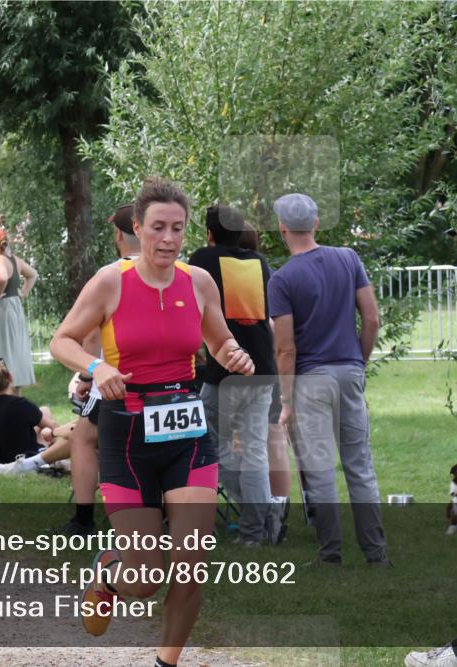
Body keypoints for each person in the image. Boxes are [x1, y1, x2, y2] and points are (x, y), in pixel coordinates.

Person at [49, 177, 254, 666]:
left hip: (187, 434)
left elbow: (219, 341)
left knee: (191, 568)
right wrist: (97, 368)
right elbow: (63, 340)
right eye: (158, 227)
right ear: (136, 228)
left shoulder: (198, 282)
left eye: (177, 229)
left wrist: (235, 355)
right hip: (127, 436)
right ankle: (109, 572)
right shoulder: (110, 282)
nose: (167, 238)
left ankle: (166, 663)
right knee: (143, 579)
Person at [267, 192, 388, 566]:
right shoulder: (348, 258)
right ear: (316, 223)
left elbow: (285, 349)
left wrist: (286, 402)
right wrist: (358, 362)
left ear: (283, 229)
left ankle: (330, 553)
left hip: (310, 381)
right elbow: (371, 319)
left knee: (319, 469)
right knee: (360, 466)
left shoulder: (282, 280)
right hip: (349, 370)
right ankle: (376, 553)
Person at [50, 203, 142, 539]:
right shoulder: (177, 273)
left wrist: (87, 376)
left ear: (118, 234)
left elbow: (88, 335)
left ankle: (84, 520)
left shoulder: (110, 276)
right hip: (171, 384)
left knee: (83, 437)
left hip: (116, 381)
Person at [189, 204, 277, 546]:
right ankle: (259, 528)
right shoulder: (259, 262)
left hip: (226, 368)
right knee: (255, 450)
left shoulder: (205, 259)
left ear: (210, 235)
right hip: (262, 367)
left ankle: (259, 519)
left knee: (208, 443)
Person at [239, 220, 292, 522]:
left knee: (268, 439)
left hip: (254, 371)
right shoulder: (265, 275)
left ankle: (269, 509)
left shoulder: (237, 278)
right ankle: (278, 509)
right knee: (273, 439)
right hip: (268, 370)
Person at [0, 359, 70, 470]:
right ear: (10, 377)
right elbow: (52, 426)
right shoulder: (21, 404)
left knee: (44, 411)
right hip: (22, 457)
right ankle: (55, 454)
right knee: (46, 420)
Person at [0, 228, 37, 389]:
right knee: (14, 348)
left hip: (2, 308)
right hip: (15, 306)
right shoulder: (15, 259)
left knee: (1, 348)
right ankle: (14, 390)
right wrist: (24, 292)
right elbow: (33, 274)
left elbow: (2, 277)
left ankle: (3, 389)